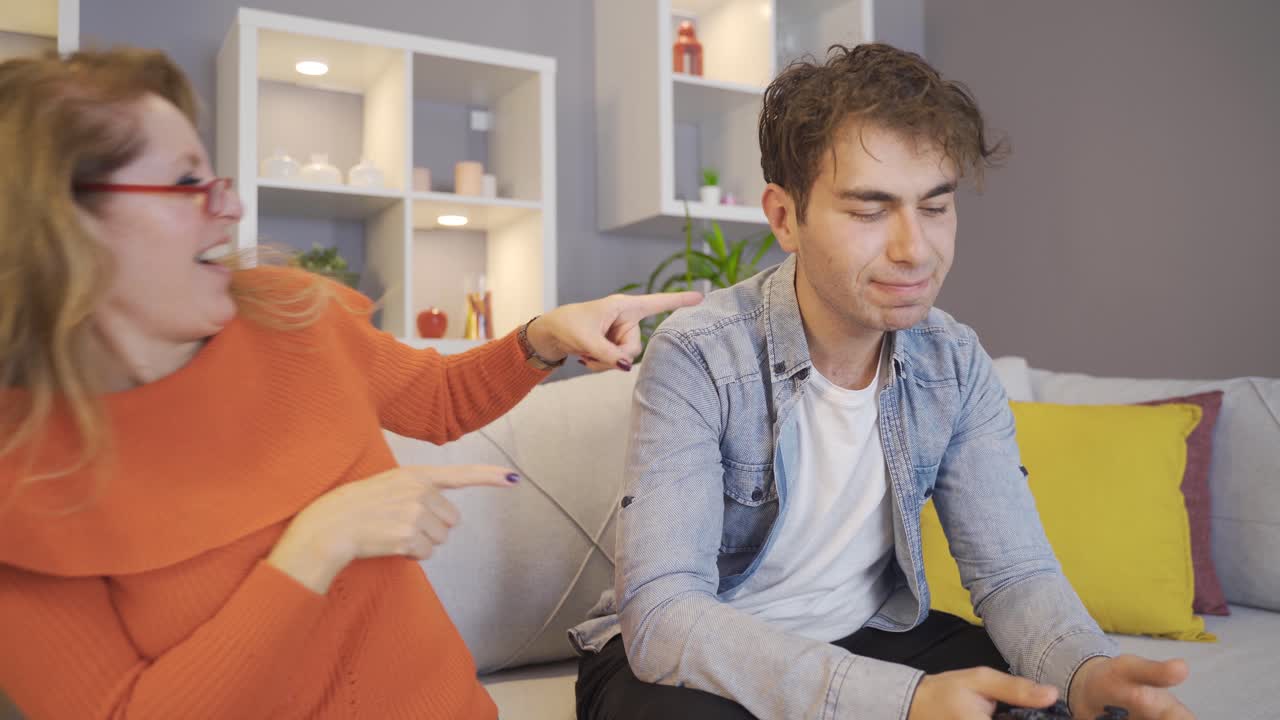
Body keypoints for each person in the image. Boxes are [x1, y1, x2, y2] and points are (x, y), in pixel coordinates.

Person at [0, 48, 699, 719]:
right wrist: (318, 544)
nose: (231, 209)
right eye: (186, 183)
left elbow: (439, 398)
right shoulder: (20, 494)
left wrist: (542, 337)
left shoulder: (285, 314)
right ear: (59, 226)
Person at [570, 43, 1194, 720]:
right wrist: (898, 700)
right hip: (694, 661)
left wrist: (1085, 671)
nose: (914, 249)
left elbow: (1014, 574)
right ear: (784, 218)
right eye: (870, 211)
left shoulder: (953, 362)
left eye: (935, 207)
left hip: (867, 634)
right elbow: (665, 617)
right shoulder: (700, 356)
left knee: (1037, 698)